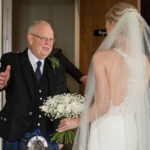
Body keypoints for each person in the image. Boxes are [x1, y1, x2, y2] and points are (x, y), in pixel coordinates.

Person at [57, 2, 150, 150]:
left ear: (113, 24)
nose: (106, 29)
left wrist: (75, 121)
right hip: (132, 131)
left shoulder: (102, 58)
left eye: (106, 24)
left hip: (108, 132)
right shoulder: (144, 61)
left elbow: (103, 106)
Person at [0, 20, 67, 150]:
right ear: (30, 38)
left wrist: (61, 138)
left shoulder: (57, 66)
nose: (48, 43)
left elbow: (62, 103)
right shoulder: (11, 60)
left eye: (51, 39)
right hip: (17, 134)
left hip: (49, 135)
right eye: (43, 38)